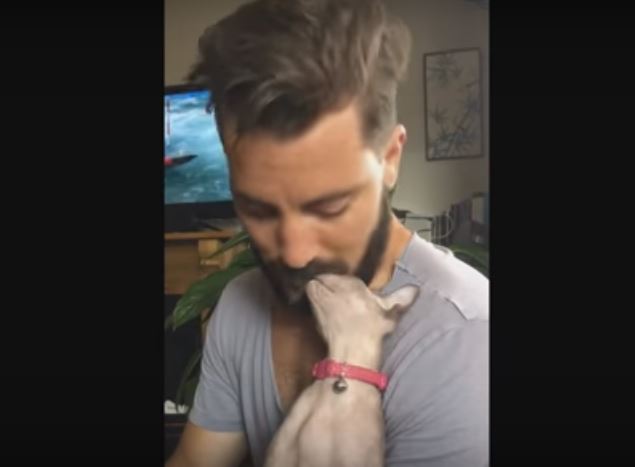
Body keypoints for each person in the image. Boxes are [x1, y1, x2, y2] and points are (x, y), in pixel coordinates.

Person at [166, 0, 488, 466]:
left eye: (330, 206)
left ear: (390, 159)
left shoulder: (463, 342)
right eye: (256, 208)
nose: (294, 255)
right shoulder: (240, 304)